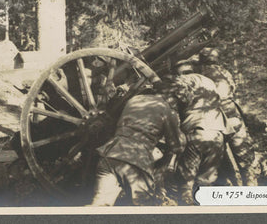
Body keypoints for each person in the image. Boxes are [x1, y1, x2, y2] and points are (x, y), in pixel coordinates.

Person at [89, 92, 186, 206]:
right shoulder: (165, 108)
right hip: (136, 161)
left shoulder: (134, 99)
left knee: (101, 204)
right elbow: (176, 145)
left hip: (110, 154)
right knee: (143, 207)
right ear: (172, 98)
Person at [170, 59, 228, 205]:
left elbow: (174, 102)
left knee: (187, 180)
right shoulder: (209, 82)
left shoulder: (184, 81)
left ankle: (186, 205)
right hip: (217, 133)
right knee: (206, 179)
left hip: (197, 130)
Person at [197, 47, 257, 186]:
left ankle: (225, 183)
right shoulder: (224, 72)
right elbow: (232, 88)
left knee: (215, 153)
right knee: (242, 150)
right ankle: (250, 182)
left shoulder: (198, 74)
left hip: (211, 116)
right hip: (231, 111)